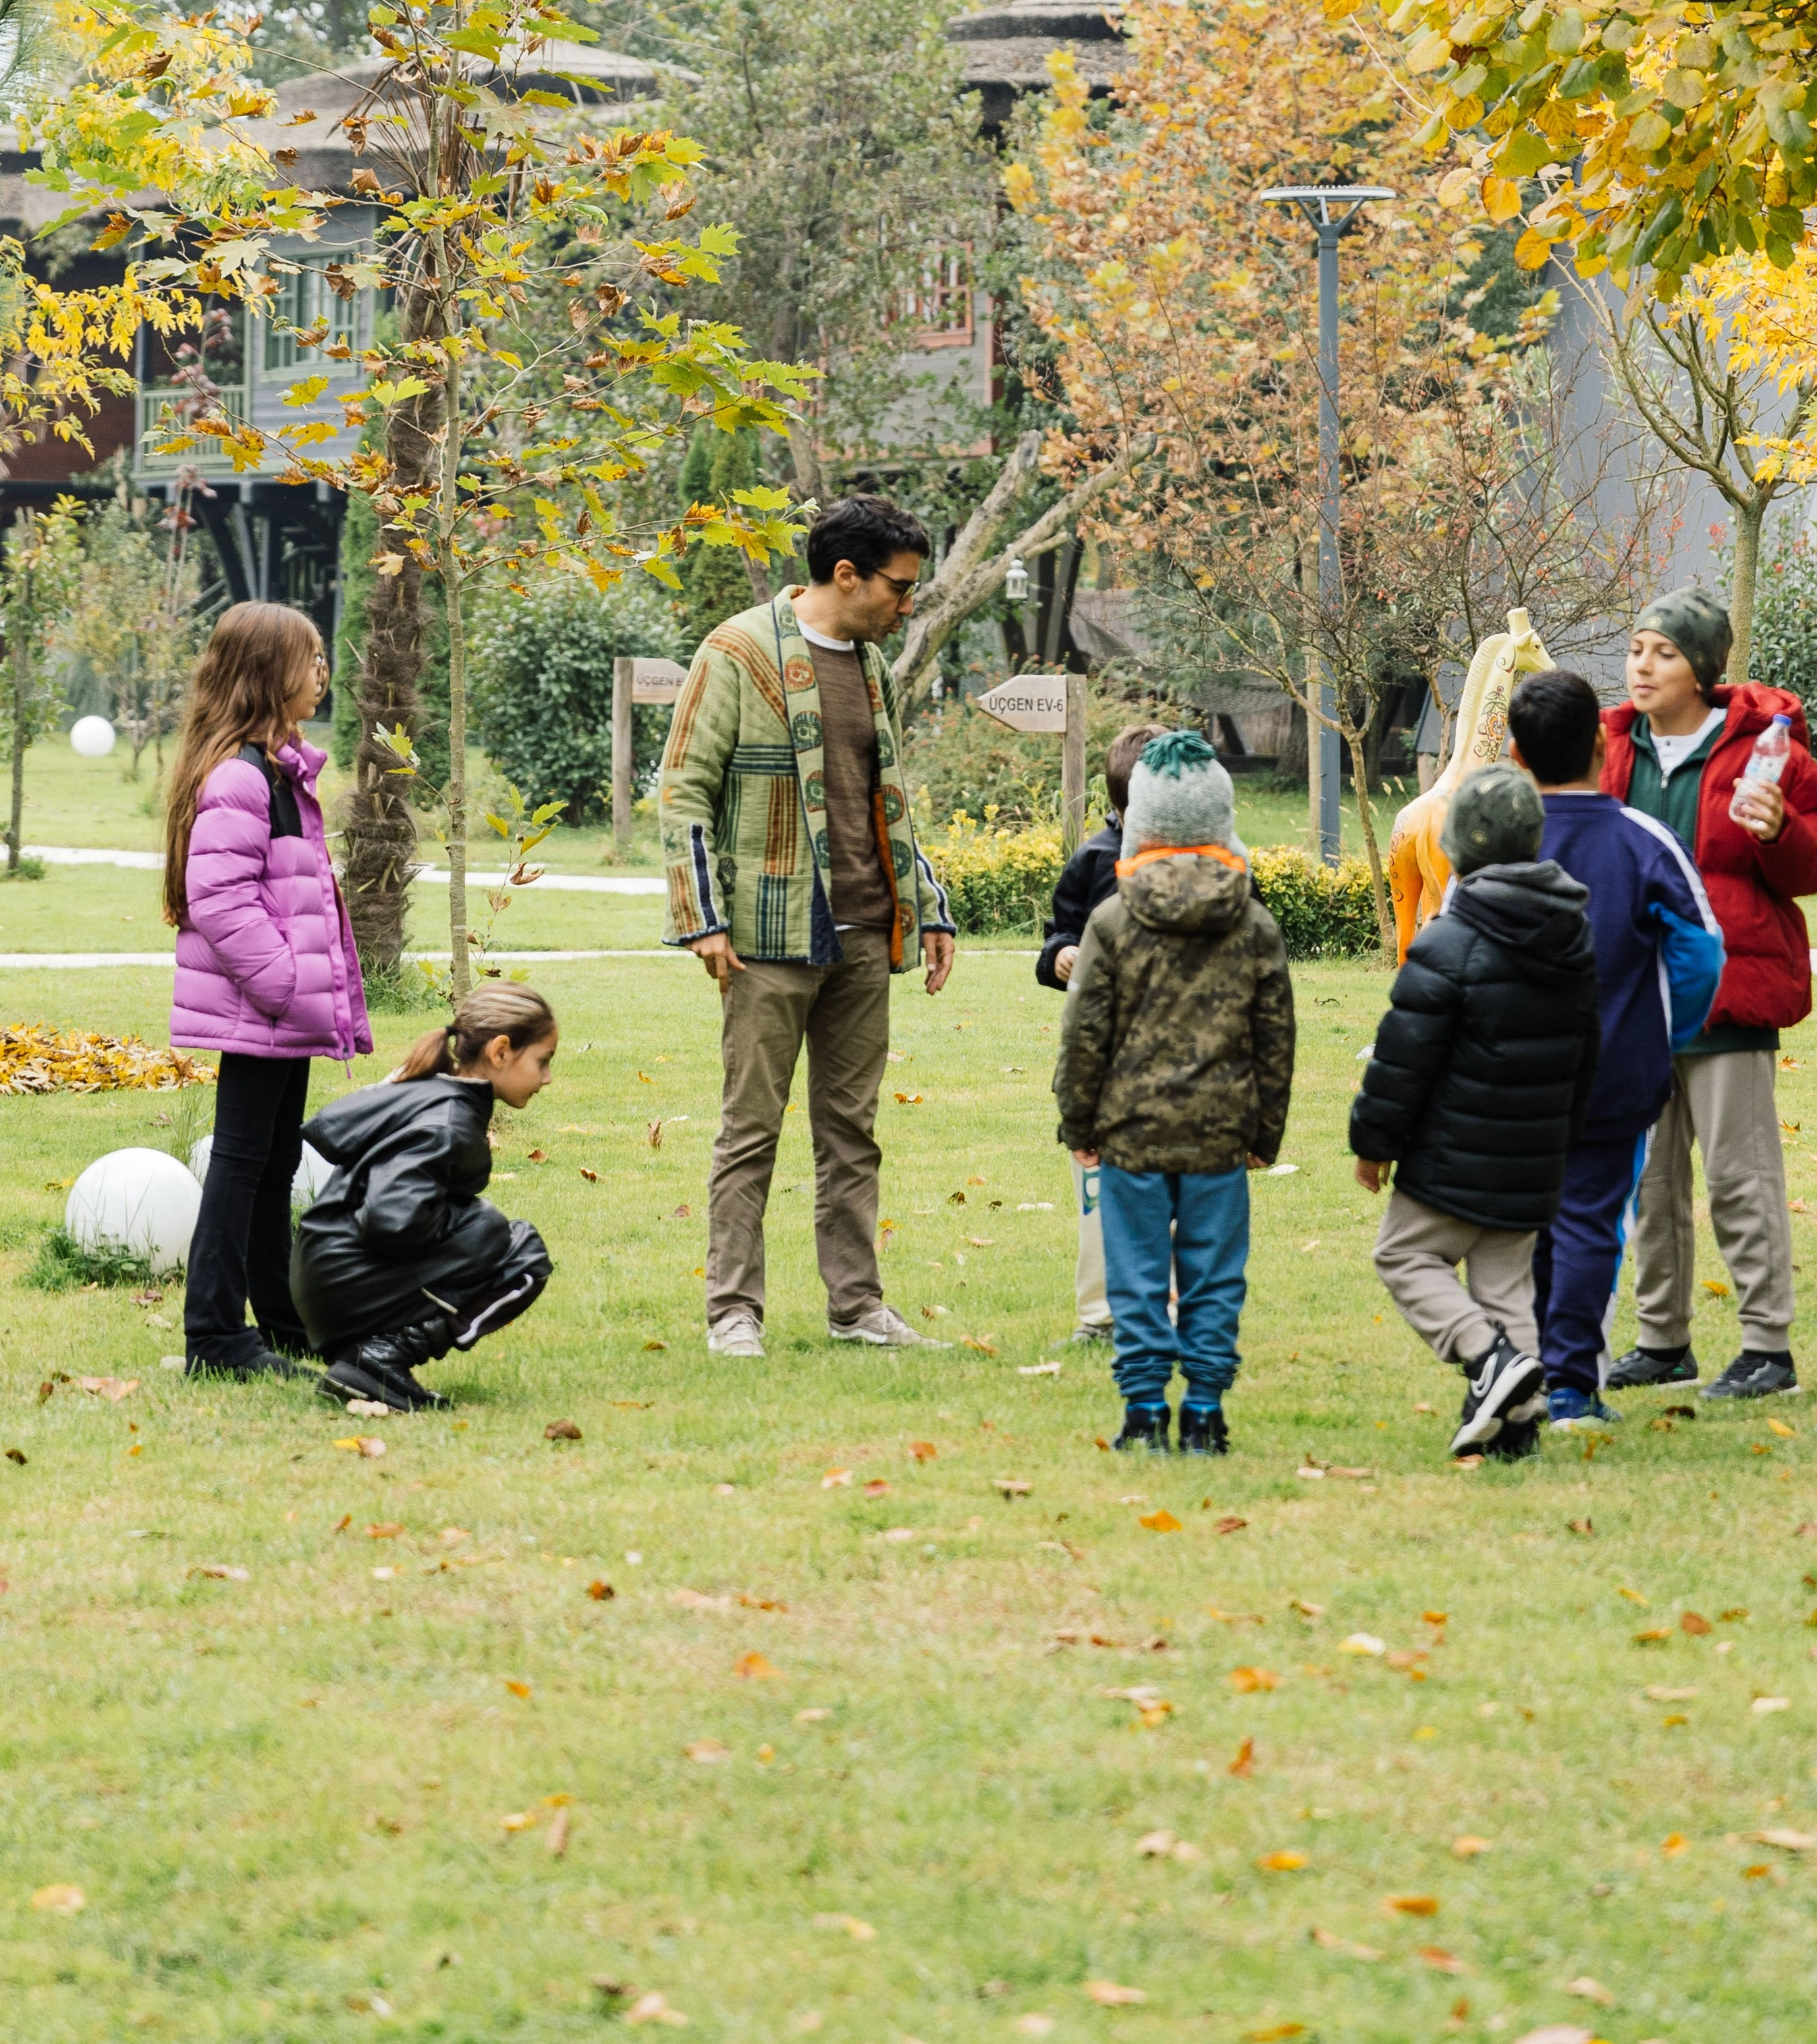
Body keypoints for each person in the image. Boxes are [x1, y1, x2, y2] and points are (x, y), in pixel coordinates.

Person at [657, 495, 958, 1359]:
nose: (907, 606)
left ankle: (856, 1307)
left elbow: (886, 798)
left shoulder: (872, 666)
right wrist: (701, 919)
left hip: (865, 935)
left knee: (851, 1132)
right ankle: (732, 1313)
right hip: (765, 936)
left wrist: (927, 904)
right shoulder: (738, 651)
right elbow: (682, 793)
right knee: (750, 1130)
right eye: (899, 589)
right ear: (845, 575)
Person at [1600, 588, 1817, 1400]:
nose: (1642, 666)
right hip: (1637, 1002)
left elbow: (1811, 865)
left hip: (1729, 998)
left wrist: (1778, 831)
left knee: (1739, 1179)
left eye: (1663, 652)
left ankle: (1768, 1349)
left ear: (1701, 669)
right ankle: (1662, 1341)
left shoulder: (1771, 753)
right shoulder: (1610, 750)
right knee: (1650, 1182)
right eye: (1635, 649)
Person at [1053, 730, 1295, 1454]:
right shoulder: (1253, 923)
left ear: (1142, 821)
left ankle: (1143, 1412)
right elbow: (1275, 1039)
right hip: (1221, 1138)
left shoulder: (1111, 921)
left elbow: (1083, 1035)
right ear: (1220, 819)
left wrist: (1078, 1125)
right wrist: (1265, 1134)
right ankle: (1206, 1411)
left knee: (1135, 1276)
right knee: (1214, 1276)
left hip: (1130, 1136)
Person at [1351, 765, 1602, 1459]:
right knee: (1504, 1283)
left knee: (1403, 1254)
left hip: (1452, 1157)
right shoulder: (1572, 941)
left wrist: (1373, 1143)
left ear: (1457, 847)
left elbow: (1403, 1061)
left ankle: (1488, 1359)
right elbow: (1586, 1057)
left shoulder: (1446, 943)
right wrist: (1563, 1141)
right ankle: (1514, 1431)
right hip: (1534, 1158)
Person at [1507, 671, 1725, 1430]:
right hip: (1613, 1074)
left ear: (1513, 752)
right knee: (1590, 1222)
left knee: (1526, 1224)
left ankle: (1517, 1369)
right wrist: (1668, 1033)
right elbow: (1701, 952)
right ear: (1603, 746)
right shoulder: (1643, 841)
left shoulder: (1498, 842)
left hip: (1511, 1079)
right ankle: (1569, 1386)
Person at [165, 601, 371, 1380]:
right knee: (242, 1162)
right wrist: (288, 987)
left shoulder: (281, 770)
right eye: (310, 659)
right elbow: (219, 900)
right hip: (266, 1007)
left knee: (275, 1159)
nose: (322, 673)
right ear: (266, 673)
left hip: (286, 1009)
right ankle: (214, 1337)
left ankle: (277, 1321)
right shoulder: (242, 777)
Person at [293, 985, 557, 1411]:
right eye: (542, 1062)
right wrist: (474, 1231)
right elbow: (390, 1220)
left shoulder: (436, 1095)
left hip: (326, 1279)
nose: (547, 1078)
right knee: (519, 1254)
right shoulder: (448, 1121)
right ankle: (381, 1359)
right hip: (342, 1283)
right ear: (502, 1051)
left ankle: (371, 1354)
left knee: (490, 1232)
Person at [1037, 720, 1166, 1345]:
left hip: (1172, 1061)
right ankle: (1101, 1315)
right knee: (1096, 1188)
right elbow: (1057, 934)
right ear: (1117, 807)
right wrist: (1060, 955)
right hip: (1101, 1055)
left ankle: (1167, 1308)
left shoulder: (1209, 868)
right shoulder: (1093, 859)